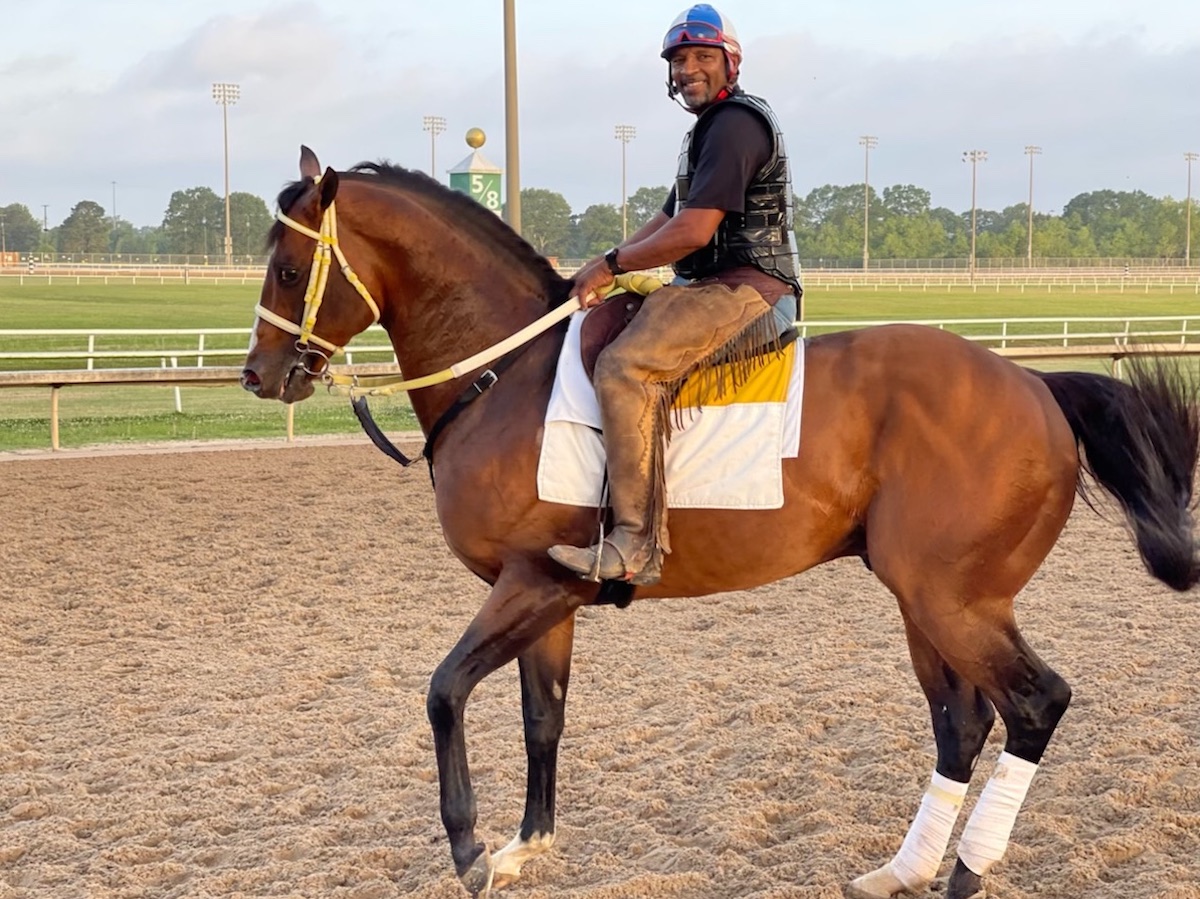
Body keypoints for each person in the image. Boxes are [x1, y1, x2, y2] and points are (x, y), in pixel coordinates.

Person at [548, 3, 803, 586]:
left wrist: (612, 263)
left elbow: (692, 232)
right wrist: (602, 267)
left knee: (624, 367)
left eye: (701, 57)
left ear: (729, 63)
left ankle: (634, 543)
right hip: (708, 284)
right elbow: (667, 217)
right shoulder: (706, 132)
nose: (688, 68)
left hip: (748, 289)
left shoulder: (736, 125)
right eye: (679, 59)